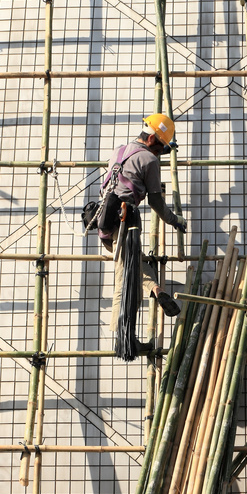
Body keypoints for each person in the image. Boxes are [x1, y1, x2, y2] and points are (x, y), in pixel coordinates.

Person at [98, 113, 186, 355]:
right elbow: (156, 202)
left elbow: (132, 167)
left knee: (135, 266)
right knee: (125, 281)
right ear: (151, 140)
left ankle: (156, 290)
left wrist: (160, 152)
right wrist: (174, 220)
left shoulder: (120, 150)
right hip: (127, 223)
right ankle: (124, 340)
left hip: (107, 222)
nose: (160, 152)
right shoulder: (150, 160)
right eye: (161, 146)